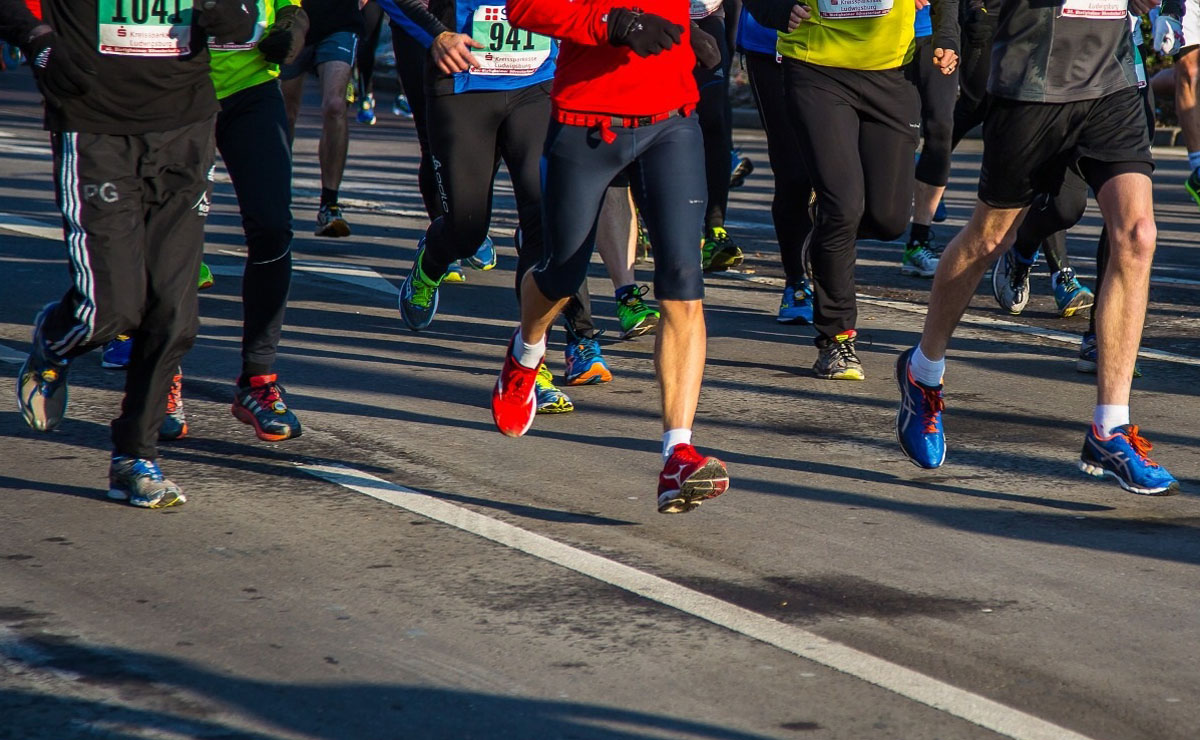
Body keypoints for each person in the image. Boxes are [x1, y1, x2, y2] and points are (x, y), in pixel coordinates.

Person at [896, 0, 1180, 495]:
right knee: (991, 238)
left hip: (1112, 80)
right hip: (1032, 83)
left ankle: (1110, 428)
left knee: (1138, 235)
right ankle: (923, 372)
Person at [4, 0, 258, 508]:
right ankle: (56, 338)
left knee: (174, 314)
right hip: (94, 123)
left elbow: (245, 20)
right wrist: (36, 39)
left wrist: (230, 13)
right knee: (109, 310)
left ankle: (134, 459)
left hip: (184, 127)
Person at [493, 0, 731, 514]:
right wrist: (613, 23)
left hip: (671, 119)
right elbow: (524, 8)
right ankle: (526, 353)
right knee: (562, 274)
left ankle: (677, 454)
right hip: (586, 120)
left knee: (683, 282)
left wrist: (693, 25)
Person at [379, 0, 610, 411]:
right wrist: (436, 34)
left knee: (543, 223)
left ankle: (532, 362)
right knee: (467, 231)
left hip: (537, 85)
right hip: (462, 87)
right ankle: (431, 262)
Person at [747, 0, 959, 381]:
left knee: (890, 219)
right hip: (816, 68)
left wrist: (946, 34)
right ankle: (836, 339)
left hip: (891, 72)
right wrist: (775, 8)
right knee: (843, 205)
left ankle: (824, 234)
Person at [735, 3, 813, 324]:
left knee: (846, 175)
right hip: (774, 43)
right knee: (794, 172)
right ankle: (797, 281)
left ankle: (828, 269)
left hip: (854, 44)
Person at [280, 0, 364, 237]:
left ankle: (330, 204)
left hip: (339, 22)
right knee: (286, 112)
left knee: (335, 105)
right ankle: (278, 198)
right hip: (292, 17)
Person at [904, 2, 960, 278]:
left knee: (941, 129)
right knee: (899, 135)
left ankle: (918, 241)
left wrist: (948, 35)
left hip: (932, 32)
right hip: (880, 38)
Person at [692, 0, 744, 273]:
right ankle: (640, 214)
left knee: (713, 119)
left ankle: (715, 229)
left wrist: (730, 40)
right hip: (651, 19)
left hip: (707, 17)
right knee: (654, 120)